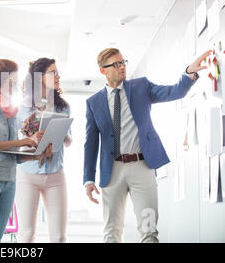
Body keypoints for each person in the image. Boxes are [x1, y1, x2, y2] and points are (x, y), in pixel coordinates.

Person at [83, 47, 211, 243]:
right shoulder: (93, 102)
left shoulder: (141, 87)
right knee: (111, 233)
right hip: (112, 171)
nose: (122, 67)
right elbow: (91, 142)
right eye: (116, 64)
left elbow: (173, 92)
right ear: (103, 70)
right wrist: (88, 179)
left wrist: (188, 73)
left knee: (149, 230)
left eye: (123, 62)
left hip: (142, 167)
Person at [0, 59, 53, 243]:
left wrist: (38, 155)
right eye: (11, 83)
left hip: (8, 180)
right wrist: (25, 140)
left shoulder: (11, 112)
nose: (15, 88)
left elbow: (13, 154)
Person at [15, 58, 72, 243]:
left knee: (58, 236)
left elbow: (69, 141)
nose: (58, 77)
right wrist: (30, 138)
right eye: (53, 73)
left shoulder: (63, 107)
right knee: (26, 234)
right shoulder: (22, 108)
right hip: (27, 175)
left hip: (55, 174)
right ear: (39, 77)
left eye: (58, 73)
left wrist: (61, 132)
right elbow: (15, 143)